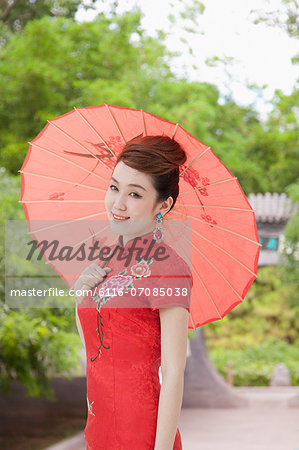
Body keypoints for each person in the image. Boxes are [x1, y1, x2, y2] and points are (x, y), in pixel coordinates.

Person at [74, 135, 193, 449]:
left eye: (135, 194)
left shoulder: (169, 267)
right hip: (98, 428)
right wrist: (80, 297)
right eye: (114, 188)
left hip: (141, 433)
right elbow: (94, 347)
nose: (118, 204)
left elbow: (174, 372)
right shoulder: (105, 261)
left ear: (163, 205)